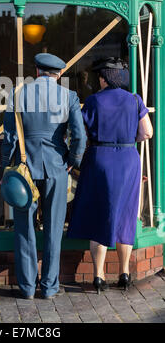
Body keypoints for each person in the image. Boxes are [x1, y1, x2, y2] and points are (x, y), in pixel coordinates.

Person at [1, 53, 86, 299]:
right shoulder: (68, 96)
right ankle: (49, 287)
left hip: (24, 169)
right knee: (53, 230)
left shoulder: (16, 94)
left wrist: (6, 168)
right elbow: (79, 136)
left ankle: (27, 287)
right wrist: (72, 161)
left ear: (37, 71)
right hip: (56, 168)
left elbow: (9, 138)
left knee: (24, 230)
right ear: (58, 74)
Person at [67, 57, 153, 294]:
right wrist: (126, 141)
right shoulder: (135, 100)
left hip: (100, 159)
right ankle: (124, 273)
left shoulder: (93, 101)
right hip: (128, 159)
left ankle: (98, 276)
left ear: (104, 78)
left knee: (100, 215)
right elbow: (147, 132)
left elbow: (81, 135)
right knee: (126, 215)